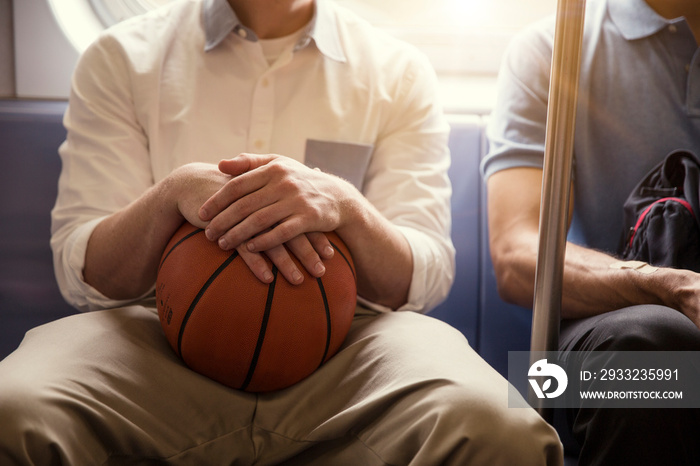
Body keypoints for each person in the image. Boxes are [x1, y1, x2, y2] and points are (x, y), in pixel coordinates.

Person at [0, 0, 563, 464]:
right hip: (156, 332)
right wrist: (171, 195)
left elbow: (423, 273)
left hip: (350, 340)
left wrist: (343, 203)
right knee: (12, 406)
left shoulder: (397, 70)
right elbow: (84, 269)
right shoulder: (120, 57)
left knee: (498, 427)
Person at [484, 0, 700, 464]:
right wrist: (671, 287)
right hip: (572, 371)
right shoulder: (549, 49)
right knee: (652, 359)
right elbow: (515, 255)